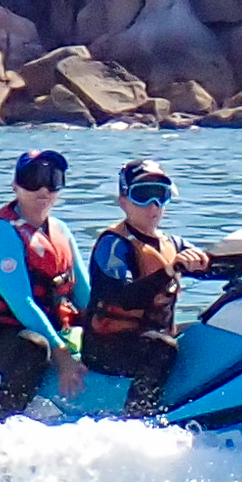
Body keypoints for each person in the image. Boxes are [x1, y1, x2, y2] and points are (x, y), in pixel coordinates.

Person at [82, 158, 223, 417]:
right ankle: (137, 417)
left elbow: (217, 266)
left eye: (160, 195)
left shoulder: (173, 243)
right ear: (123, 201)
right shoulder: (113, 245)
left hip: (152, 336)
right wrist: (170, 270)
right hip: (107, 347)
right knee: (162, 346)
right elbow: (122, 297)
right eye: (143, 195)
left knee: (212, 330)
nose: (153, 206)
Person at [0, 147, 84, 420]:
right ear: (15, 186)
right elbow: (22, 302)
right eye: (32, 178)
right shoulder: (1, 232)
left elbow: (85, 296)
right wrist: (61, 355)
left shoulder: (61, 232)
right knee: (34, 346)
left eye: (53, 179)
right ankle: (5, 424)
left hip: (46, 333)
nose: (43, 189)